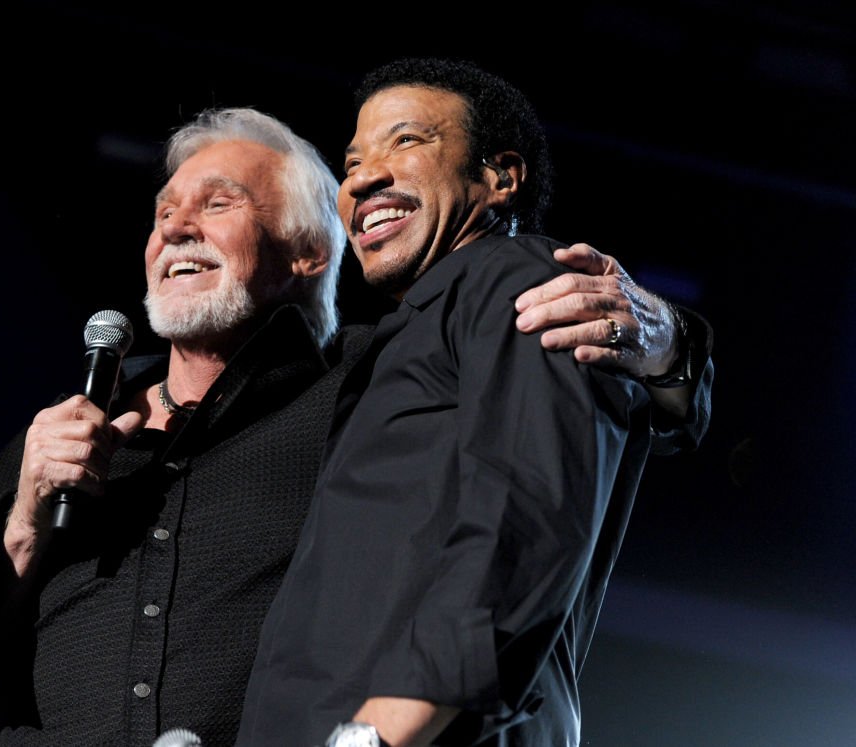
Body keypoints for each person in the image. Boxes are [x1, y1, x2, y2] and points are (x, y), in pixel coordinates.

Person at [0, 105, 709, 746]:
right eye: (163, 213)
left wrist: (663, 335)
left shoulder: (378, 385)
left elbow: (571, 418)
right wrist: (22, 524)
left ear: (309, 252)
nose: (174, 228)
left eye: (218, 203)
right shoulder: (51, 446)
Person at [236, 58, 712, 747]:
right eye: (353, 159)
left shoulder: (513, 278)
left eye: (406, 141)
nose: (363, 176)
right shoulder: (391, 347)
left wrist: (381, 729)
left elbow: (528, 507)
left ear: (500, 176)